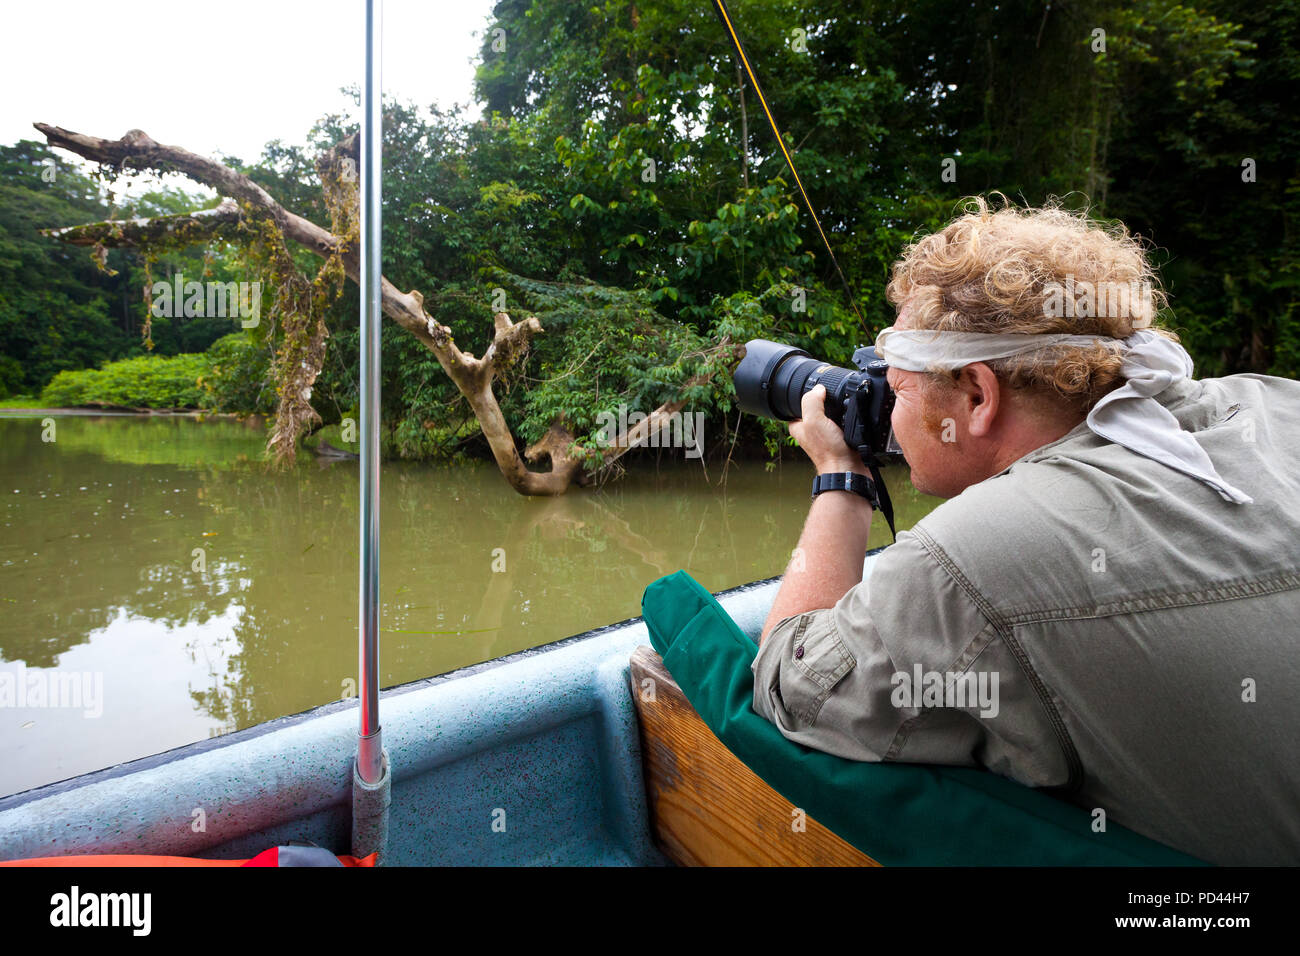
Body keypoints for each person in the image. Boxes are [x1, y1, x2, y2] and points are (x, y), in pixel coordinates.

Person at [751, 196, 1300, 866]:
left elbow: (791, 687)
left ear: (979, 396)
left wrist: (842, 473)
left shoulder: (968, 559)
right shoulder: (1276, 402)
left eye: (897, 388)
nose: (888, 412)